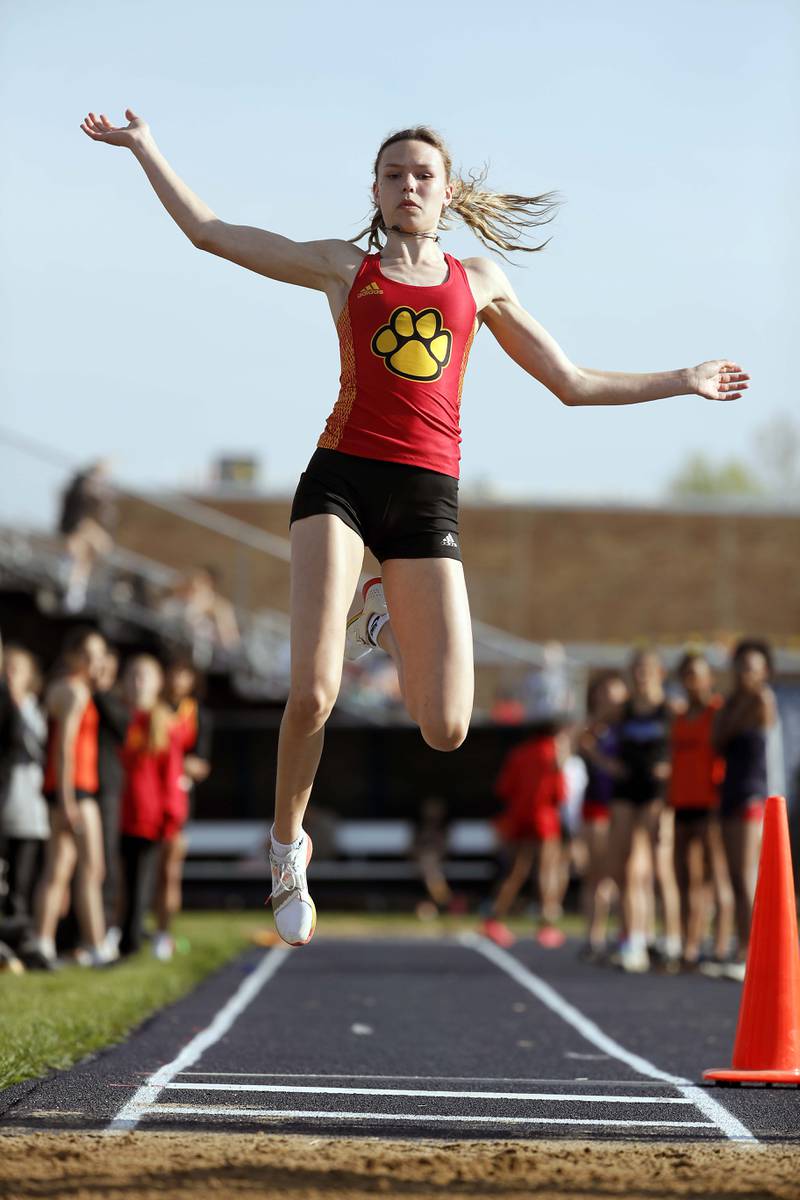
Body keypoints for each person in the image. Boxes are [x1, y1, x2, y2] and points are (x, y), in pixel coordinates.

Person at [81, 108, 749, 947]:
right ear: (376, 189)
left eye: (422, 175)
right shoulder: (342, 267)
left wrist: (682, 378)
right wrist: (146, 148)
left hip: (428, 500)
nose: (408, 186)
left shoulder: (480, 280)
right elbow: (211, 234)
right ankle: (288, 847)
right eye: (394, 174)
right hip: (341, 485)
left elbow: (572, 383)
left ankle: (379, 620)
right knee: (315, 689)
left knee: (447, 724)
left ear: (445, 192)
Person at [31, 627, 111, 968]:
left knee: (58, 869)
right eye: (89, 655)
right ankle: (96, 947)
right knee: (92, 869)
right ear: (74, 656)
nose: (96, 662)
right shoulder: (74, 691)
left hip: (65, 789)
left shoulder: (67, 688)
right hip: (75, 789)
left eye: (100, 655)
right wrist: (67, 800)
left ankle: (42, 943)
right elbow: (64, 747)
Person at [607, 650, 681, 973]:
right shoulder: (622, 711)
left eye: (647, 670)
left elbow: (690, 744)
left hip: (656, 793)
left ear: (659, 672)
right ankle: (632, 940)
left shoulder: (670, 710)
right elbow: (586, 734)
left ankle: (673, 941)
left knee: (660, 867)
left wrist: (672, 769)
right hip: (626, 790)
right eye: (636, 669)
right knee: (625, 867)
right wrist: (606, 764)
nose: (641, 675)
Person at [713, 638, 776, 980]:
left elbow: (752, 723)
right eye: (740, 667)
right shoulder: (730, 703)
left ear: (764, 671)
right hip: (730, 793)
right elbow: (717, 740)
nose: (744, 674)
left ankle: (756, 951)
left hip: (753, 793)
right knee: (735, 877)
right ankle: (742, 947)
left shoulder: (761, 700)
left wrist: (738, 704)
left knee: (746, 874)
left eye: (751, 668)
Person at [669, 652, 733, 969]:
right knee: (686, 880)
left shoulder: (717, 711)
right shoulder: (680, 717)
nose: (691, 681)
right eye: (686, 675)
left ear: (709, 678)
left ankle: (720, 946)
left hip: (711, 804)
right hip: (682, 803)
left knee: (715, 878)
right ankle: (689, 945)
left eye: (697, 674)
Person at [118, 656, 185, 957]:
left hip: (148, 816)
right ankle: (118, 932)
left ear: (158, 683)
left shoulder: (163, 723)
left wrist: (172, 814)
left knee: (151, 878)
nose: (137, 683)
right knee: (117, 879)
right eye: (132, 675)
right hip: (118, 813)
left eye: (144, 676)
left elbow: (171, 774)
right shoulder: (117, 717)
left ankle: (153, 934)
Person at [481, 724, 567, 947]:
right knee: (547, 871)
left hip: (519, 816)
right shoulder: (554, 753)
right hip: (544, 818)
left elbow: (504, 788)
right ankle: (547, 925)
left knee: (515, 870)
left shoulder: (519, 752)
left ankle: (494, 919)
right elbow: (561, 794)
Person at [153, 658, 212, 960]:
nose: (177, 679)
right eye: (172, 671)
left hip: (177, 800)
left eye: (184, 673)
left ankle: (163, 933)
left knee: (169, 870)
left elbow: (201, 764)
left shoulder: (196, 713)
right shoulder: (151, 708)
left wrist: (180, 761)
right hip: (146, 798)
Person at [577, 670, 628, 961]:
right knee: (594, 874)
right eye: (603, 694)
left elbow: (619, 769)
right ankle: (593, 936)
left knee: (619, 875)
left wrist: (595, 754)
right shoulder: (591, 729)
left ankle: (624, 933)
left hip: (619, 807)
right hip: (593, 805)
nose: (608, 700)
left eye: (613, 694)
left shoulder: (626, 729)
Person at [0, 645, 48, 925]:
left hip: (27, 804)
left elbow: (37, 745)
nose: (9, 673)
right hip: (4, 799)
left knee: (22, 876)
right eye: (6, 666)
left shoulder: (35, 710)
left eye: (17, 668)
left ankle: (17, 929)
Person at [92, 644, 129, 934]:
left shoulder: (114, 700)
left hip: (107, 786)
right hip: (82, 787)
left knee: (106, 858)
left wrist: (100, 690)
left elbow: (123, 730)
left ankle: (109, 924)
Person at [58, 461, 117, 613]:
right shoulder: (82, 486)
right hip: (76, 525)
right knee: (90, 549)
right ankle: (69, 577)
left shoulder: (95, 489)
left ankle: (75, 591)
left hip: (82, 527)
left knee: (85, 558)